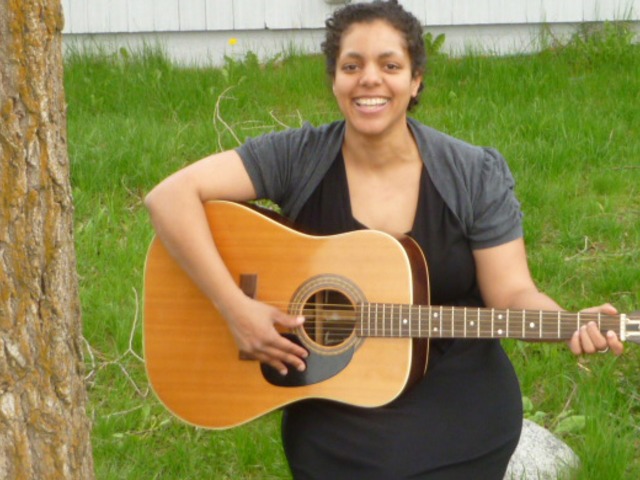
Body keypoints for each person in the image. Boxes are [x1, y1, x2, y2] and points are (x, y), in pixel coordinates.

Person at [145, 1, 624, 478]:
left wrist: (568, 323)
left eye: (390, 66)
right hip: (339, 393)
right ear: (335, 80)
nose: (369, 79)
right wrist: (235, 308)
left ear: (415, 81)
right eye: (352, 66)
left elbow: (513, 293)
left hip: (457, 386)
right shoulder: (298, 157)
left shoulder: (473, 174)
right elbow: (169, 197)